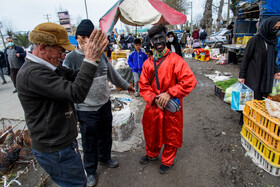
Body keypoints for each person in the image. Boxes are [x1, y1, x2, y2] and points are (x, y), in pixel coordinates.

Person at [16, 22, 109, 187]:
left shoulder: (49, 67)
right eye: (61, 51)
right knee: (77, 183)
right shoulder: (33, 73)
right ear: (43, 47)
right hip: (54, 150)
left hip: (61, 144)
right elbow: (76, 93)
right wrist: (89, 59)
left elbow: (76, 76)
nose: (63, 56)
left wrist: (93, 58)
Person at [63, 19, 135, 186]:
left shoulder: (101, 55)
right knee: (89, 142)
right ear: (80, 39)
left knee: (105, 136)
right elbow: (66, 85)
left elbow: (112, 73)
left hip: (104, 104)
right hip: (86, 109)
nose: (92, 42)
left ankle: (105, 158)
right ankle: (90, 170)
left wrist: (126, 86)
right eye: (88, 38)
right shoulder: (71, 59)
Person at [138, 24, 197, 174]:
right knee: (151, 131)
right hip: (153, 106)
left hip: (171, 105)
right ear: (151, 42)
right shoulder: (147, 64)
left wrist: (170, 93)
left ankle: (167, 160)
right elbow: (143, 85)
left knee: (171, 133)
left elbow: (189, 80)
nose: (158, 42)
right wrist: (154, 98)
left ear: (166, 39)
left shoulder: (176, 60)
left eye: (161, 38)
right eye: (155, 39)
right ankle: (151, 153)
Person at [238, 16, 280, 100]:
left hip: (267, 75)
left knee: (263, 98)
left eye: (278, 28)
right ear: (268, 26)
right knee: (253, 97)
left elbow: (273, 59)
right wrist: (241, 76)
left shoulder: (273, 41)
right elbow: (246, 58)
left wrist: (276, 71)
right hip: (254, 74)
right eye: (274, 27)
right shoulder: (255, 40)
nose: (276, 29)